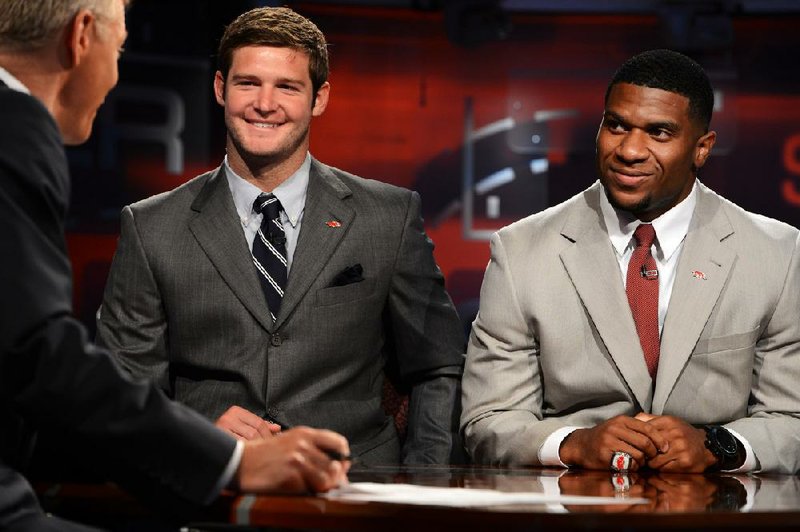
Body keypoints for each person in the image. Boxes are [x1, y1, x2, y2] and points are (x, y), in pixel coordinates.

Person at [0, 1, 350, 529]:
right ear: (80, 36)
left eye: (287, 87)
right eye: (118, 50)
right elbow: (35, 353)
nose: (115, 76)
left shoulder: (387, 215)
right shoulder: (14, 125)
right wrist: (226, 457)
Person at [95, 6, 464, 465]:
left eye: (286, 87)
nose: (264, 104)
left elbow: (438, 365)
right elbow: (124, 390)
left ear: (319, 98)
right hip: (213, 484)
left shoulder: (387, 217)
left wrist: (423, 481)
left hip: (356, 485)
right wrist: (193, 437)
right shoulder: (151, 226)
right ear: (219, 89)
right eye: (248, 83)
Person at [460, 49, 800, 474]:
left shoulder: (777, 253)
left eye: (659, 133)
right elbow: (488, 420)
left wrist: (718, 446)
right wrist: (574, 444)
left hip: (713, 507)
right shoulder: (521, 251)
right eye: (617, 126)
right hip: (574, 503)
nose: (630, 150)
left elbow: (791, 419)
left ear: (701, 149)